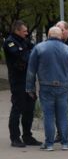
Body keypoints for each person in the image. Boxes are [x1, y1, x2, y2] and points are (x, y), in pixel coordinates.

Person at [26, 27, 68, 151]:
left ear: (48, 35)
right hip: (63, 86)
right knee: (62, 115)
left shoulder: (39, 48)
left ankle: (49, 144)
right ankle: (65, 143)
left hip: (46, 86)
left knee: (48, 115)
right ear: (61, 36)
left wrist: (30, 88)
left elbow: (31, 70)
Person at [4, 20, 41, 148]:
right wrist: (29, 53)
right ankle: (15, 138)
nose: (27, 33)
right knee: (18, 108)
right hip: (18, 81)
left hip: (29, 80)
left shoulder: (24, 41)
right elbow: (23, 57)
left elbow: (34, 50)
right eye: (24, 31)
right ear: (17, 31)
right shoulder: (10, 42)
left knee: (29, 109)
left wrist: (29, 52)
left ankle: (27, 136)